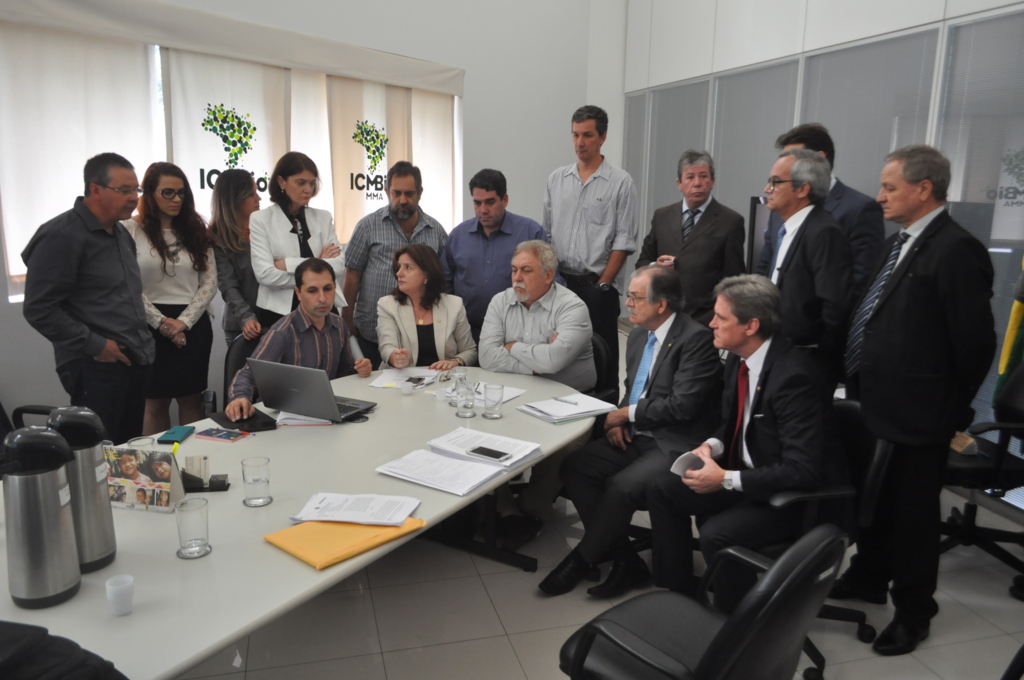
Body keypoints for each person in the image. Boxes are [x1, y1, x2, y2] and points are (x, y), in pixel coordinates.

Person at [833, 146, 995, 656]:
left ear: (924, 190)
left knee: (913, 517)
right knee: (874, 502)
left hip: (920, 411)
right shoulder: (897, 242)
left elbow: (974, 344)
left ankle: (914, 612)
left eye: (890, 187)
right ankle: (868, 576)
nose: (879, 196)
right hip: (872, 398)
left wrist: (950, 408)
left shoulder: (956, 249)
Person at [646, 274, 833, 612]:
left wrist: (726, 480)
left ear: (751, 326)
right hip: (743, 476)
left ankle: (733, 626)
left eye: (721, 317)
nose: (711, 323)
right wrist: (711, 447)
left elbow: (802, 470)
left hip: (784, 498)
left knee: (718, 533)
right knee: (663, 489)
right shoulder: (738, 358)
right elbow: (732, 422)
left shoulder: (795, 378)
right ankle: (679, 596)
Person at [541, 266, 723, 598]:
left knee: (622, 487)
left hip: (674, 442)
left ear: (662, 305)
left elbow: (683, 406)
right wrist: (621, 418)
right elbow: (633, 389)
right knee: (575, 467)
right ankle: (627, 561)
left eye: (635, 298)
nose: (627, 304)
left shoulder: (696, 339)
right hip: (637, 434)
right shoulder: (639, 334)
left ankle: (581, 560)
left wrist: (626, 413)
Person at [22, 153, 154, 444]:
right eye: (125, 190)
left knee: (126, 452)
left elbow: (126, 297)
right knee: (97, 455)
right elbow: (39, 308)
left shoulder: (120, 233)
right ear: (95, 190)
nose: (134, 197)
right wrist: (96, 345)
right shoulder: (61, 235)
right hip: (94, 363)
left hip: (133, 357)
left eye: (137, 189)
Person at [479, 240, 596, 537]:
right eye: (514, 270)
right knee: (481, 430)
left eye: (526, 270)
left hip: (568, 403)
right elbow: (487, 356)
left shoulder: (572, 307)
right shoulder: (501, 301)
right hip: (514, 396)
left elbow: (555, 361)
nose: (517, 277)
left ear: (548, 275)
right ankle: (503, 506)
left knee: (562, 448)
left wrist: (513, 347)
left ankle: (533, 510)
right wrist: (538, 357)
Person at [543, 105, 638, 394]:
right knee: (560, 357)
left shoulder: (620, 182)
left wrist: (603, 285)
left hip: (596, 287)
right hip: (560, 284)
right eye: (575, 135)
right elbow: (546, 232)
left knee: (602, 358)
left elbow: (624, 240)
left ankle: (606, 423)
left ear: (603, 137)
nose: (579, 143)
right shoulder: (557, 179)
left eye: (587, 135)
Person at [124, 162, 216, 435]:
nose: (176, 199)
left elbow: (209, 283)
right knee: (154, 403)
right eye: (167, 192)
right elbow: (128, 285)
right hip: (148, 325)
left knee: (191, 399)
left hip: (193, 323)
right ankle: (158, 471)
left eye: (181, 192)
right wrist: (162, 322)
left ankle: (197, 466)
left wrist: (183, 322)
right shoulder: (129, 230)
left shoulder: (197, 230)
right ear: (149, 193)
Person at [225, 258, 372, 421]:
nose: (322, 298)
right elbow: (248, 373)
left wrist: (359, 367)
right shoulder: (282, 333)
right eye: (312, 290)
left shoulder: (339, 325)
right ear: (298, 293)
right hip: (287, 417)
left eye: (328, 289)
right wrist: (240, 397)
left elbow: (344, 370)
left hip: (326, 411)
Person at [758, 123, 885, 297]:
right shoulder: (781, 206)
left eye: (793, 157)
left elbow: (860, 283)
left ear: (818, 159)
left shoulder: (860, 209)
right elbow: (765, 264)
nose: (785, 163)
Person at [761, 149, 852, 388]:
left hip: (807, 364)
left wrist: (816, 358)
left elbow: (835, 307)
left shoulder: (824, 232)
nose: (766, 189)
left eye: (775, 182)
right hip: (780, 354)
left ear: (803, 189)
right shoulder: (788, 229)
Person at [343, 161, 447, 368]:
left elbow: (441, 280)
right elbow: (352, 275)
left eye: (409, 194)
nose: (402, 200)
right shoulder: (367, 226)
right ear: (386, 191)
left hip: (419, 335)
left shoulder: (436, 231)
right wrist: (346, 321)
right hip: (371, 330)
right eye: (396, 193)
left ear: (420, 193)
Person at [635, 150, 745, 325]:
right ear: (679, 183)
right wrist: (655, 267)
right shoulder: (662, 216)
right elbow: (642, 261)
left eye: (703, 176)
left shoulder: (730, 221)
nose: (697, 183)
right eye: (690, 177)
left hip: (705, 320)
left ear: (713, 181)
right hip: (663, 315)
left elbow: (734, 280)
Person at [443, 169, 554, 341]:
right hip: (466, 333)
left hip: (517, 334)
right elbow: (445, 282)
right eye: (477, 203)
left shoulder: (530, 232)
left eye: (490, 202)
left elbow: (550, 284)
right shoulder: (458, 236)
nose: (483, 210)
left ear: (505, 200)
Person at [250, 152, 345, 328]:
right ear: (281, 182)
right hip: (278, 313)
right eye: (301, 183)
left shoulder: (323, 217)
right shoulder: (260, 219)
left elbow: (339, 266)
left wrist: (288, 264)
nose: (308, 189)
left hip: (322, 310)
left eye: (312, 183)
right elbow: (265, 275)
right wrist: (320, 265)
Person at [377, 244, 476, 370]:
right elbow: (386, 347)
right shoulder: (387, 305)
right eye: (398, 267)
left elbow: (469, 351)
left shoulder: (454, 305)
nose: (399, 273)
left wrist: (454, 362)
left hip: (442, 381)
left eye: (408, 267)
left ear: (426, 275)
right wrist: (394, 356)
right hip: (401, 382)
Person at [210, 168, 263, 344]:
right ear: (234, 199)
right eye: (252, 194)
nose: (259, 199)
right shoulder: (218, 239)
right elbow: (228, 286)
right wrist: (246, 317)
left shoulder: (264, 230)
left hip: (274, 320)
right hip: (242, 326)